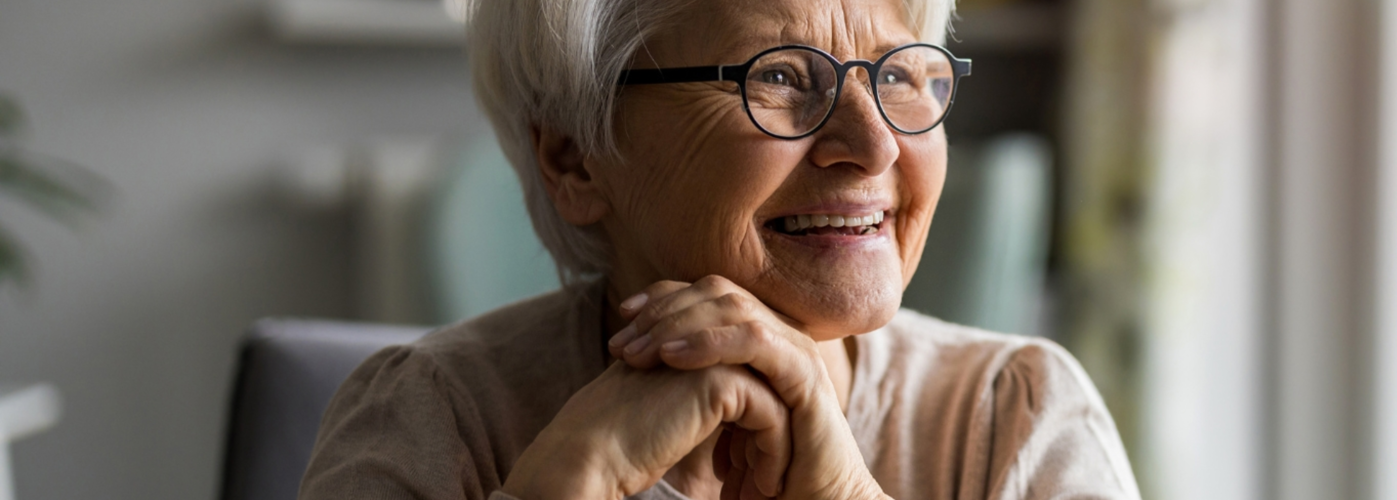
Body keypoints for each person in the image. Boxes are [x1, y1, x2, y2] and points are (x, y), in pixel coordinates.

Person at [299, 0, 1141, 498]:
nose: (877, 145)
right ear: (574, 156)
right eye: (778, 75)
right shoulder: (434, 419)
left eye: (899, 75)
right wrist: (578, 478)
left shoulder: (1015, 418)